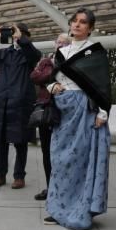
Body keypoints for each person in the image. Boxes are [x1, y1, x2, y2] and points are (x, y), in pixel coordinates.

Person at [44, 10, 112, 229]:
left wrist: (103, 112)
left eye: (83, 22)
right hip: (62, 111)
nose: (77, 25)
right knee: (60, 160)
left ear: (90, 27)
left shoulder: (96, 53)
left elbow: (102, 86)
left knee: (80, 160)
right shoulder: (61, 52)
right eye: (75, 21)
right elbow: (46, 77)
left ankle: (80, 208)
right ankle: (58, 208)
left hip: (85, 110)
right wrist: (51, 86)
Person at [0, 23, 41, 188]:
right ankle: (0, 175)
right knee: (0, 141)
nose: (15, 37)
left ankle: (19, 176)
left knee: (20, 142)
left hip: (21, 104)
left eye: (20, 35)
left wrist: (21, 38)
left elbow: (34, 55)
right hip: (1, 103)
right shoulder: (3, 54)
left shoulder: (30, 54)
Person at [31, 33, 71, 200]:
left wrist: (47, 77)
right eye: (58, 42)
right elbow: (34, 76)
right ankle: (50, 187)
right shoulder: (47, 61)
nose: (60, 45)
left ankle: (64, 188)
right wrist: (52, 74)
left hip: (65, 111)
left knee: (63, 152)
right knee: (46, 151)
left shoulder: (71, 60)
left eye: (64, 43)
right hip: (47, 111)